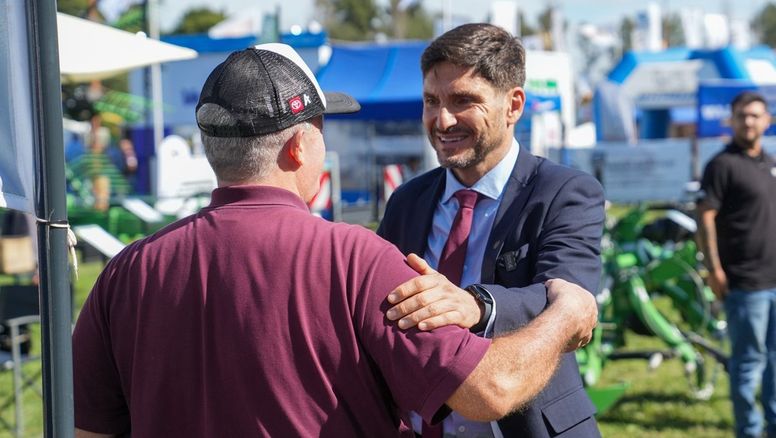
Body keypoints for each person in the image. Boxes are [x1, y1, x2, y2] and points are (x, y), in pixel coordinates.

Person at [72, 43, 599, 438]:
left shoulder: (125, 272)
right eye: (323, 128)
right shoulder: (355, 258)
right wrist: (565, 317)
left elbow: (86, 427)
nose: (441, 118)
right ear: (300, 147)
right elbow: (491, 389)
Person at [378, 23, 605, 437]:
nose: (443, 120)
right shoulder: (406, 201)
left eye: (463, 100)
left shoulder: (565, 192)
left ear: (513, 105)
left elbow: (570, 299)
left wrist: (477, 306)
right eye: (431, 101)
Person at [697, 91, 776, 438]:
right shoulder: (722, 165)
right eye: (743, 115)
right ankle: (749, 430)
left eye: (756, 115)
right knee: (747, 363)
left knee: (774, 361)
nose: (749, 121)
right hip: (744, 283)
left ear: (767, 121)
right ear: (732, 120)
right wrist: (714, 269)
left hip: (774, 279)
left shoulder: (770, 163)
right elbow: (705, 218)